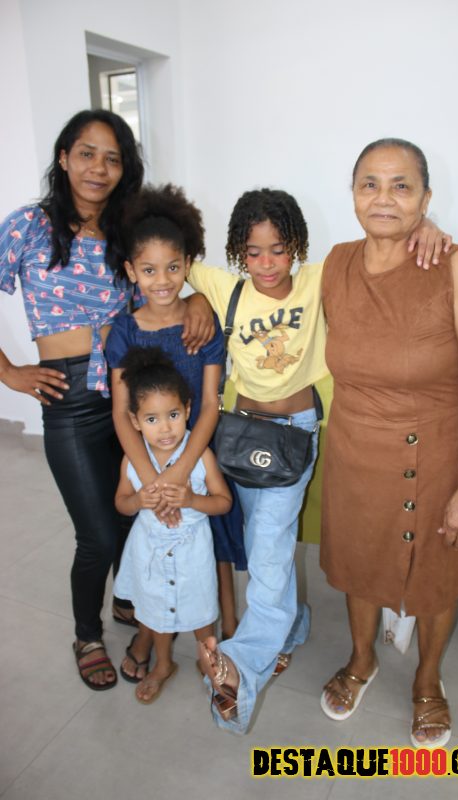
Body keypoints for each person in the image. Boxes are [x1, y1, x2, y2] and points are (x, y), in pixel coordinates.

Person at [192, 188, 449, 734]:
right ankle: (294, 624)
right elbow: (172, 263)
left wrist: (424, 228)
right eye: (253, 252)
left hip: (294, 434)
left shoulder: (320, 277)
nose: (267, 263)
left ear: (297, 247)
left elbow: (381, 254)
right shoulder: (224, 287)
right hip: (241, 435)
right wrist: (195, 299)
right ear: (238, 252)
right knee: (267, 543)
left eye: (278, 249)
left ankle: (241, 667)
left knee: (268, 546)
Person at [0, 110, 210, 690]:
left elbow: (163, 277)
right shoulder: (30, 226)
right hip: (67, 396)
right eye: (87, 153)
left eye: (113, 158)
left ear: (126, 169)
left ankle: (128, 596)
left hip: (130, 391)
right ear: (64, 158)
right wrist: (9, 372)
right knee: (95, 532)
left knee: (130, 510)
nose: (99, 167)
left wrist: (196, 299)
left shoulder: (127, 227)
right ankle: (86, 633)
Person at [319, 138, 458, 748]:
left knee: (436, 573)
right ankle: (361, 659)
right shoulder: (335, 264)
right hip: (354, 451)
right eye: (369, 184)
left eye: (402, 186)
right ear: (352, 194)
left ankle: (428, 678)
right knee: (358, 563)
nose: (384, 198)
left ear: (426, 198)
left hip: (435, 453)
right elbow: (266, 291)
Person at [105, 184, 246, 683]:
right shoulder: (124, 330)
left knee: (207, 549)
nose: (162, 280)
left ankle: (218, 635)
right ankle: (151, 636)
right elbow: (121, 413)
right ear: (131, 272)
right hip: (145, 465)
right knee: (152, 553)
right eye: (148, 270)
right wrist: (153, 482)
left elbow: (209, 403)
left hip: (197, 455)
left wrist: (181, 472)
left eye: (172, 267)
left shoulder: (202, 324)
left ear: (187, 263)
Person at [113, 346, 232, 703]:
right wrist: (138, 501)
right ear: (135, 421)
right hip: (149, 551)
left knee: (201, 610)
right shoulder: (133, 460)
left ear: (188, 410)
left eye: (173, 415)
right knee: (154, 611)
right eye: (152, 419)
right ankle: (163, 664)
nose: (165, 428)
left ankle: (208, 661)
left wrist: (193, 500)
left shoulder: (200, 456)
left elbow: (223, 502)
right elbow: (121, 503)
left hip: (193, 552)